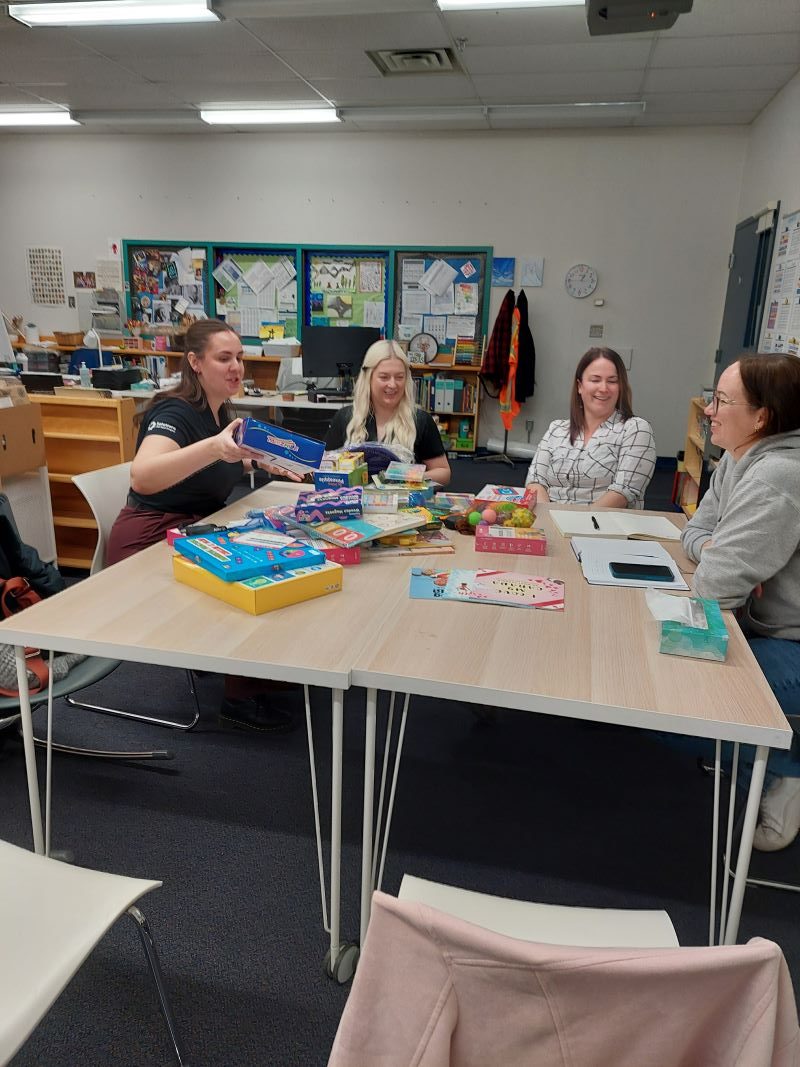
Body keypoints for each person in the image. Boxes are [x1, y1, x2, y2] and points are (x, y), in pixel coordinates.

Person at [107, 319, 300, 732]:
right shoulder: (173, 410)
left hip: (190, 529)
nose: (236, 368)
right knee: (245, 575)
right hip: (147, 538)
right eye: (224, 358)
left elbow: (214, 463)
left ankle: (253, 669)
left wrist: (256, 460)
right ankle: (239, 696)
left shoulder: (220, 412)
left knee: (275, 552)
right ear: (195, 362)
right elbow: (143, 477)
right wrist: (216, 447)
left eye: (240, 358)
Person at [682, 353, 800, 851]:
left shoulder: (778, 475)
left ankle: (786, 768)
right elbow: (695, 532)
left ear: (761, 418)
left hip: (789, 643)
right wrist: (715, 547)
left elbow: (711, 587)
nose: (709, 410)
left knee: (675, 699)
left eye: (723, 401)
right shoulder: (737, 458)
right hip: (758, 625)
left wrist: (717, 556)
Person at [525, 347, 655, 508]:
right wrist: (549, 520)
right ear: (580, 386)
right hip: (551, 524)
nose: (603, 388)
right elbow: (535, 481)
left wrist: (571, 524)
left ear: (620, 386)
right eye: (595, 380)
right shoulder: (556, 429)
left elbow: (623, 493)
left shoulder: (636, 429)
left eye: (612, 381)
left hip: (601, 527)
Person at [325, 339, 451, 485]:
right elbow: (324, 466)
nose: (392, 384)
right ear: (368, 378)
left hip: (403, 505)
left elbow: (443, 472)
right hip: (354, 504)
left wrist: (410, 477)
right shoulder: (346, 418)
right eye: (384, 377)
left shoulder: (420, 420)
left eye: (399, 377)